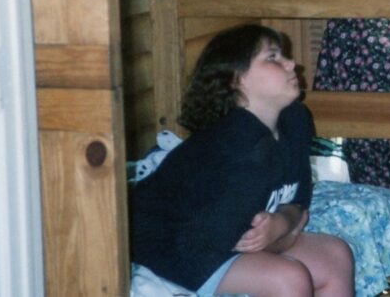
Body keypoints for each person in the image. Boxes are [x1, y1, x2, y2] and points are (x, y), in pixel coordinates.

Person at [129, 24, 354, 296]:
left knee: (335, 255)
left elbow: (300, 194)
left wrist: (283, 221)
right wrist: (287, 234)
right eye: (272, 57)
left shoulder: (295, 119)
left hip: (225, 240)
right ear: (236, 80)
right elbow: (225, 240)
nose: (291, 63)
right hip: (176, 251)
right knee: (288, 278)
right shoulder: (236, 144)